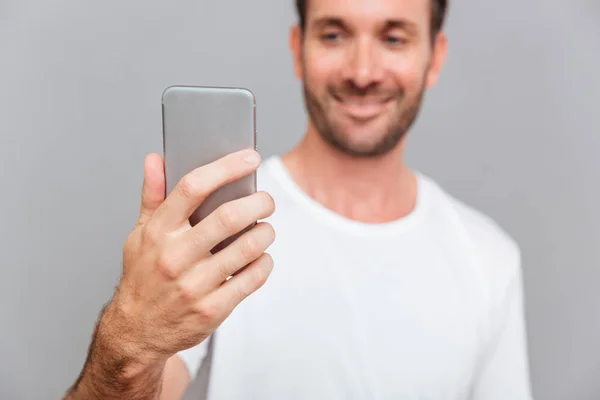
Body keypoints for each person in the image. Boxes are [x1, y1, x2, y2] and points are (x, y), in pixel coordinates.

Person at [65, 0, 533, 398]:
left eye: (394, 39)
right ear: (298, 49)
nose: (363, 72)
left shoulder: (489, 258)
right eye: (334, 35)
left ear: (435, 58)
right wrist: (130, 340)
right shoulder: (219, 228)